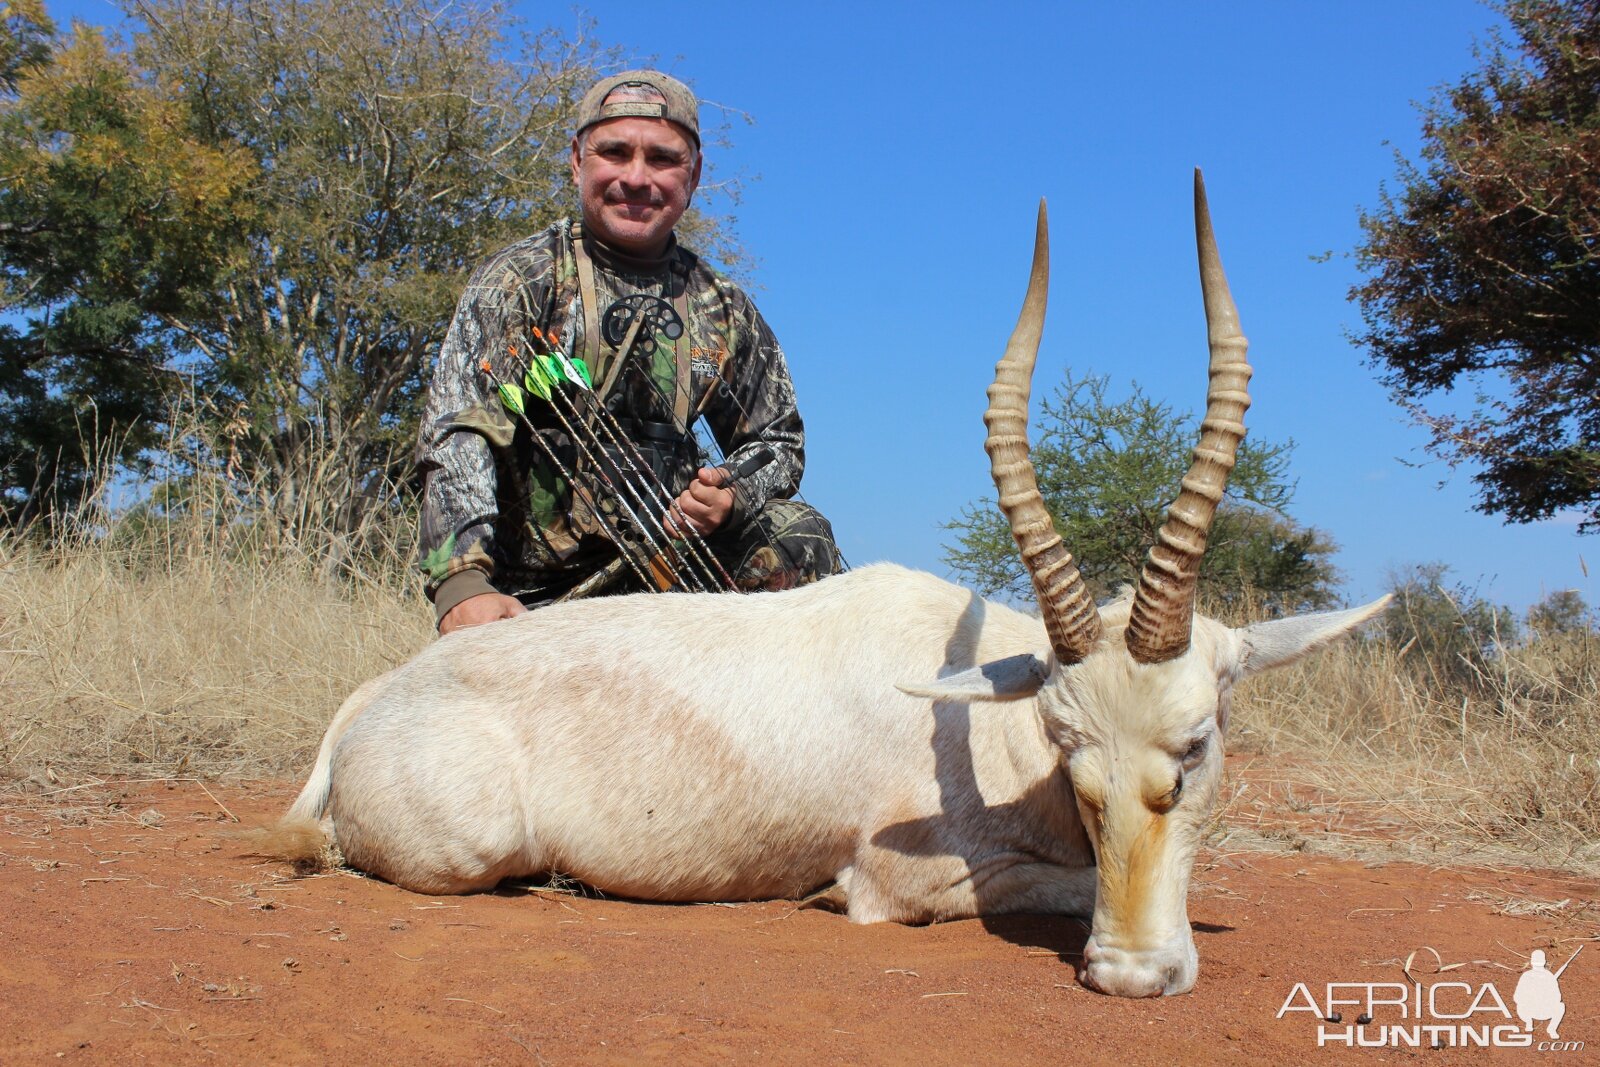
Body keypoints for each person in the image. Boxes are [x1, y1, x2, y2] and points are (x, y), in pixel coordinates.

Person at [415, 70, 842, 634]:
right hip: (537, 594)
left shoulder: (725, 307)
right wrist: (463, 582)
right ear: (577, 160)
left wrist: (731, 494)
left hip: (674, 571)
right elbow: (458, 430)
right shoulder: (521, 281)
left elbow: (778, 442)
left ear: (694, 175)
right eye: (614, 152)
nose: (636, 178)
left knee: (797, 535)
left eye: (663, 159)